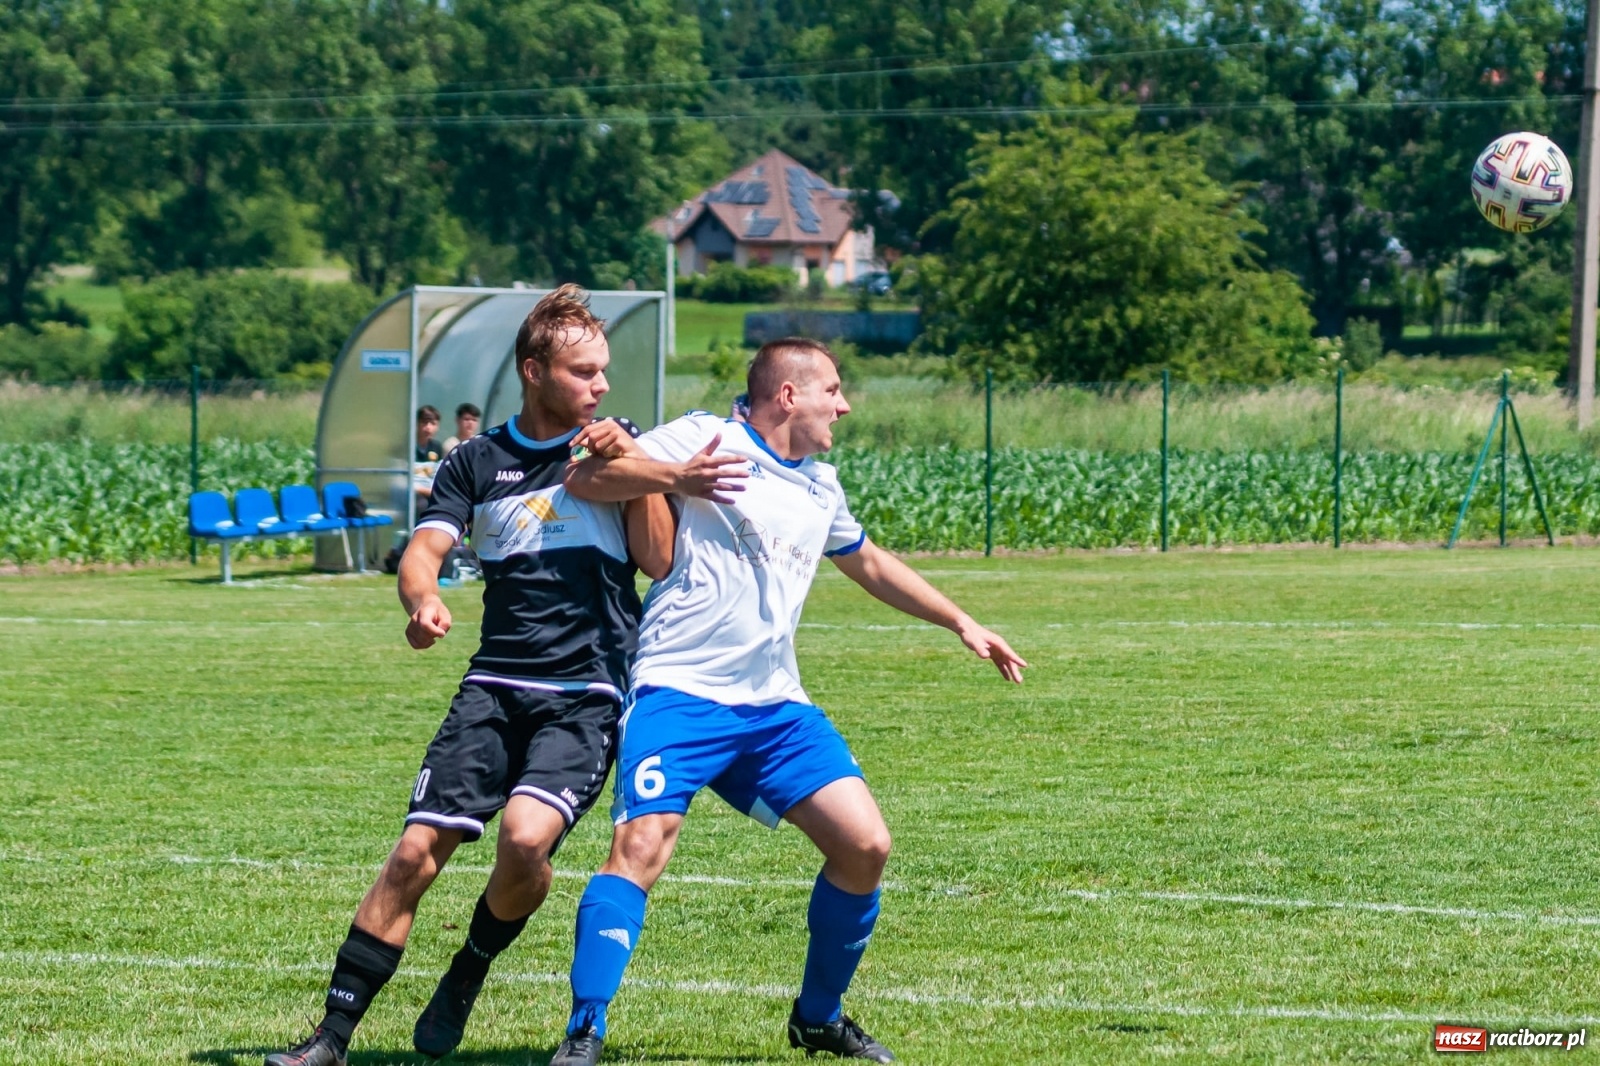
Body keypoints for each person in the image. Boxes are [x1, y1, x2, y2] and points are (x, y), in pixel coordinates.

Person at [262, 285, 738, 1066]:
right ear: (534, 371)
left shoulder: (616, 450)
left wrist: (642, 468)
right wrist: (420, 603)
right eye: (584, 371)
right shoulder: (475, 463)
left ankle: (469, 967)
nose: (601, 386)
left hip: (583, 696)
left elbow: (657, 560)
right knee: (413, 855)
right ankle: (331, 1039)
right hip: (491, 689)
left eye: (604, 370)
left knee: (524, 840)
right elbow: (424, 553)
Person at [548, 337, 1028, 1065]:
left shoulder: (820, 484)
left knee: (865, 845)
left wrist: (961, 620)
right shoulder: (707, 435)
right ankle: (585, 1029)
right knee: (639, 848)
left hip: (775, 706)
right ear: (788, 396)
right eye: (832, 389)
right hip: (680, 689)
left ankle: (818, 1018)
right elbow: (586, 480)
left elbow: (867, 561)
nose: (844, 403)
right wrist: (673, 473)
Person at [413, 405, 445, 507]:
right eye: (424, 423)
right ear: (416, 424)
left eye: (433, 423)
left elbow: (439, 476)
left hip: (432, 493)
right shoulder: (406, 447)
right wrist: (427, 491)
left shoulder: (437, 447)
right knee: (422, 505)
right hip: (413, 495)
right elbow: (400, 483)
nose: (428, 427)